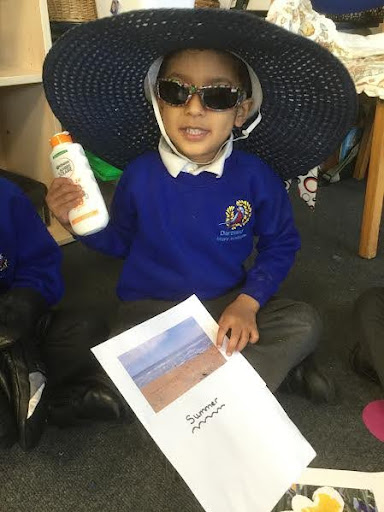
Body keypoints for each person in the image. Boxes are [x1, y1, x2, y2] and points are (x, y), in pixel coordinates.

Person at [43, 8, 357, 404]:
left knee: (303, 321)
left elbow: (280, 243)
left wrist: (248, 302)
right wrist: (76, 222)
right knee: (119, 347)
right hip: (151, 310)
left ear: (241, 110)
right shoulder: (139, 175)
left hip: (225, 303)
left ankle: (192, 385)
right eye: (177, 91)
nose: (194, 108)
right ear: (159, 101)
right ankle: (256, 376)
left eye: (218, 96)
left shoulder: (256, 176)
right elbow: (119, 243)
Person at [0, 177, 124, 450]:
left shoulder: (6, 195)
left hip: (16, 322)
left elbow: (40, 261)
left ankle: (34, 394)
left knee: (88, 329)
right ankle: (53, 405)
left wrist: (26, 299)